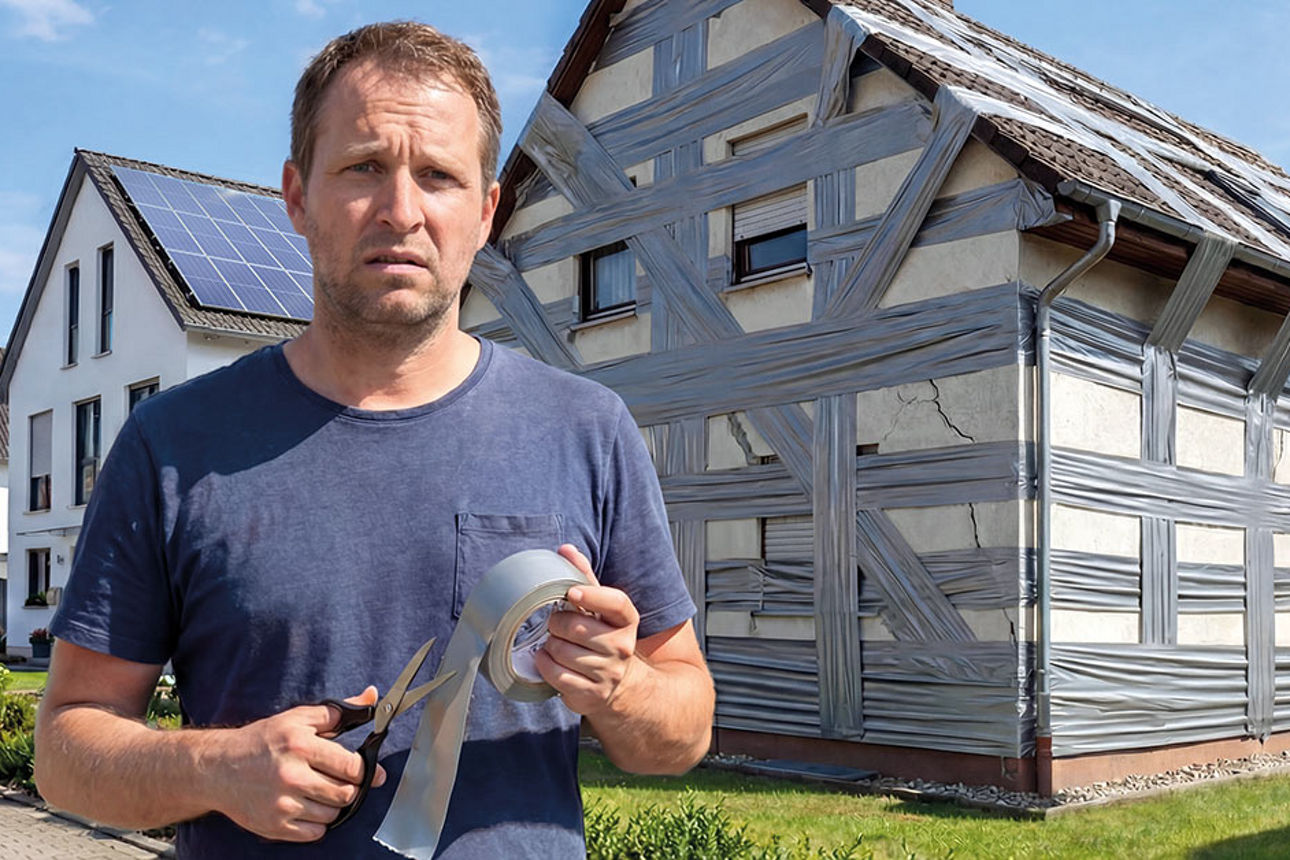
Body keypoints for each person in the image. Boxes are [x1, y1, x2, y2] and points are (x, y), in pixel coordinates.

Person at [35, 21, 714, 859]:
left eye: (438, 176)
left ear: (487, 210)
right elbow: (66, 753)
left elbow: (680, 735)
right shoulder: (172, 445)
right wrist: (215, 767)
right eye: (362, 169)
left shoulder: (587, 430)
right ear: (296, 195)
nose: (401, 211)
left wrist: (620, 686)